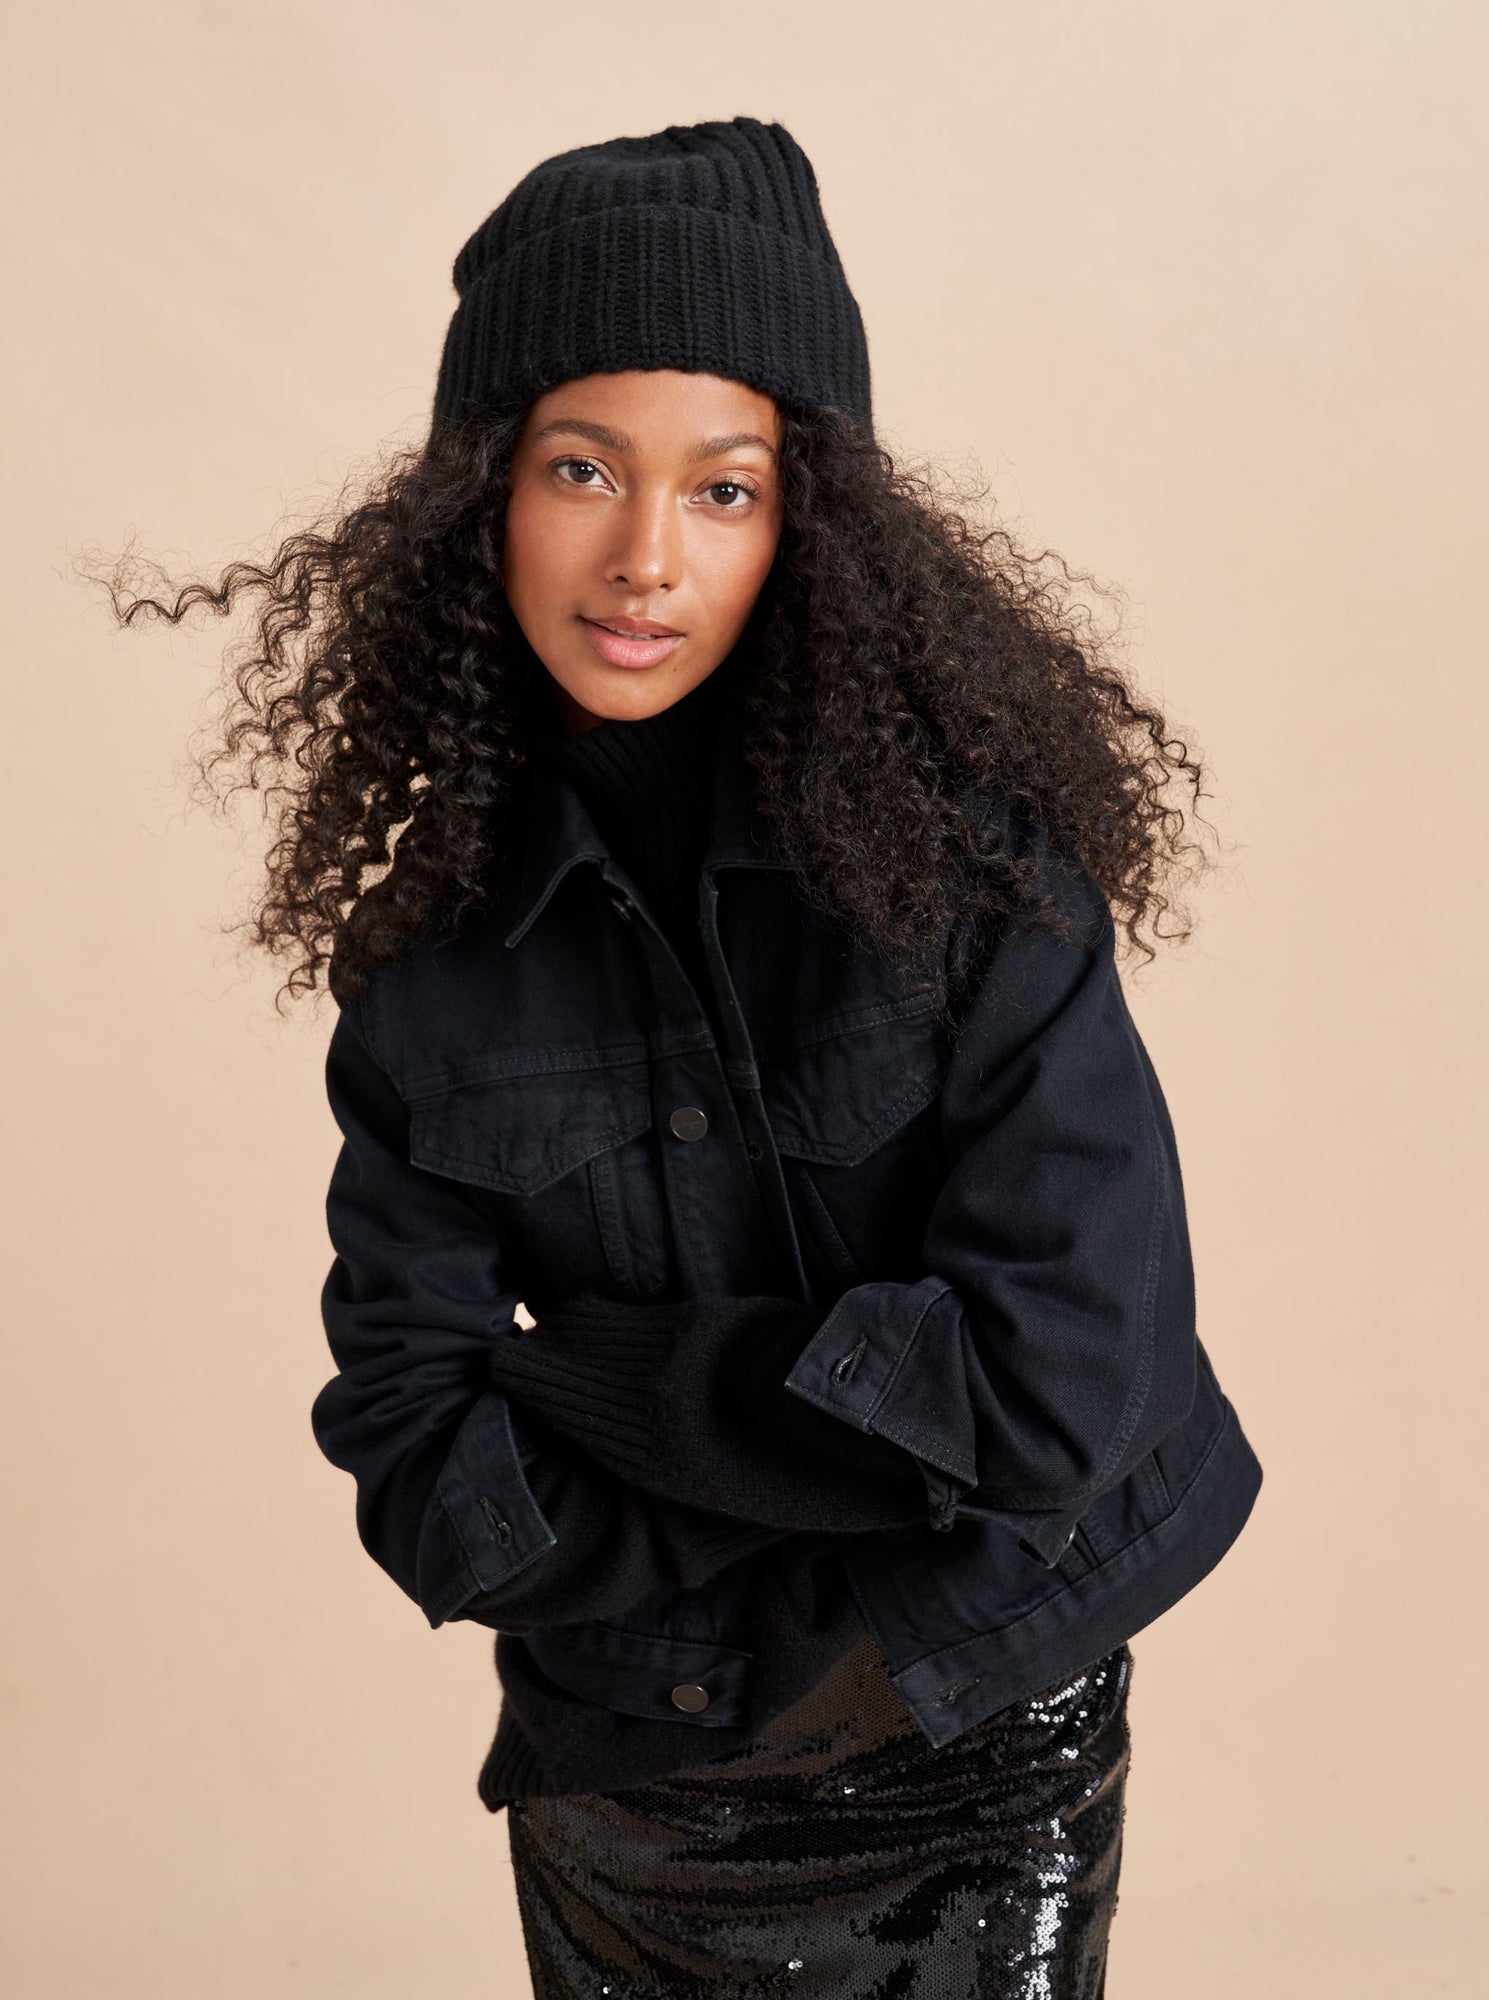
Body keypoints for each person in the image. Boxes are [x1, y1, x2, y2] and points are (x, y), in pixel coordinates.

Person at [108, 117, 1262, 2000]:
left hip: (978, 1720)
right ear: (483, 496)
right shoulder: (421, 971)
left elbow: (1052, 1397)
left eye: (724, 489)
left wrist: (602, 1383)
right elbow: (425, 1480)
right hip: (629, 1770)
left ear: (812, 525)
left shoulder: (974, 882)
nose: (644, 559)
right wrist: (868, 1436)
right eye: (582, 468)